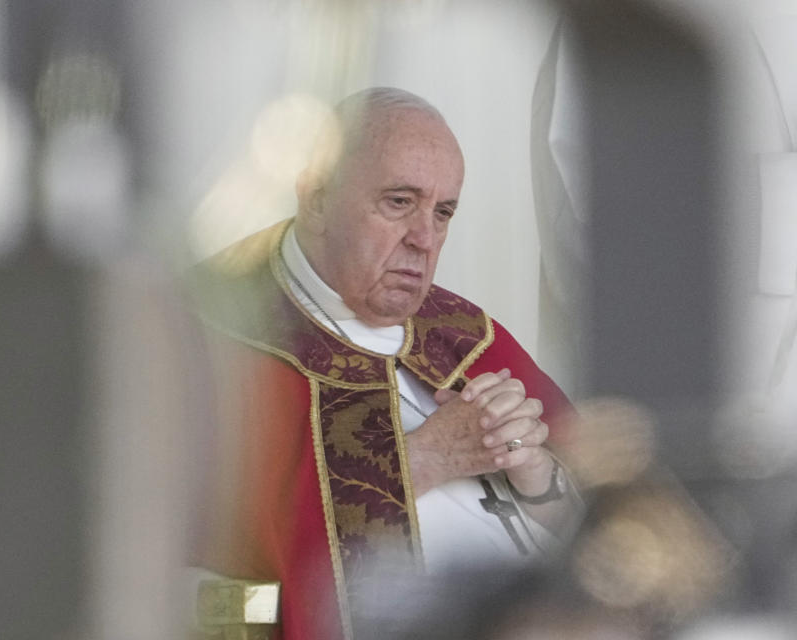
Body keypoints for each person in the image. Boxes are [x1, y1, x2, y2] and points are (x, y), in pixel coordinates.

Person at [190, 87, 581, 640]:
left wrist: (538, 476)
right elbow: (216, 533)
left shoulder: (463, 333)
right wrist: (423, 459)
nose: (425, 239)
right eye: (399, 202)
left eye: (443, 212)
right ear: (316, 197)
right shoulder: (216, 330)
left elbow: (605, 504)